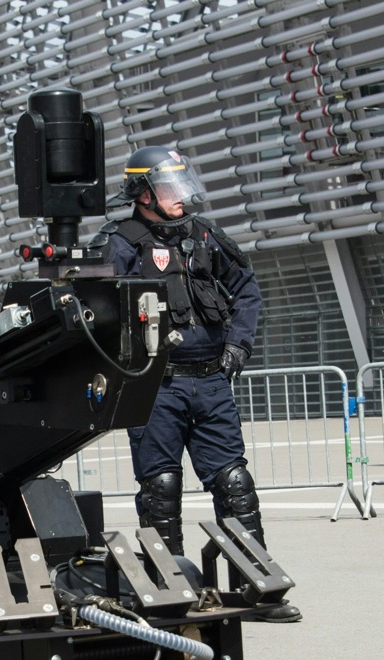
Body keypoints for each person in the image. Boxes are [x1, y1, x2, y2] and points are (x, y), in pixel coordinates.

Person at [92, 147, 301, 623]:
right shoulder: (119, 242)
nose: (181, 198)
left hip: (211, 382)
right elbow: (97, 310)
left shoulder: (205, 235)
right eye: (169, 190)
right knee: (161, 488)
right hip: (156, 388)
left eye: (182, 187)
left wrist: (238, 347)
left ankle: (257, 589)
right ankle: (172, 594)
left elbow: (246, 288)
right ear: (143, 193)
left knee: (235, 483)